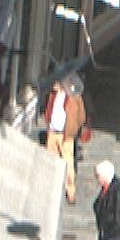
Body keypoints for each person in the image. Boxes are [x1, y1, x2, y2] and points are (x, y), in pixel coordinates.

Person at [43, 74, 88, 205]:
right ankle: (51, 189)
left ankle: (71, 192)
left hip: (66, 136)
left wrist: (72, 130)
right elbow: (48, 110)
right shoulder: (53, 94)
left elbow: (81, 117)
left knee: (68, 164)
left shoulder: (75, 98)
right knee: (51, 161)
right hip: (52, 133)